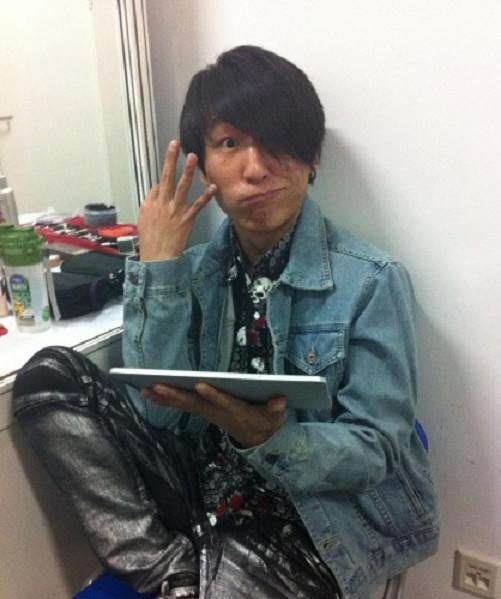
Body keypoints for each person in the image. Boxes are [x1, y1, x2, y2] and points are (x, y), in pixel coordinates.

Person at [13, 46, 439, 599]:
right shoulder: (189, 274)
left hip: (308, 519)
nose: (254, 169)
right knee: (48, 376)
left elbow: (376, 450)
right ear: (204, 165)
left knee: (239, 562)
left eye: (276, 141)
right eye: (230, 143)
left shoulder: (373, 282)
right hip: (201, 493)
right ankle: (175, 574)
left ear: (312, 157)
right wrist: (159, 266)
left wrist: (269, 437)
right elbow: (157, 412)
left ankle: (186, 572)